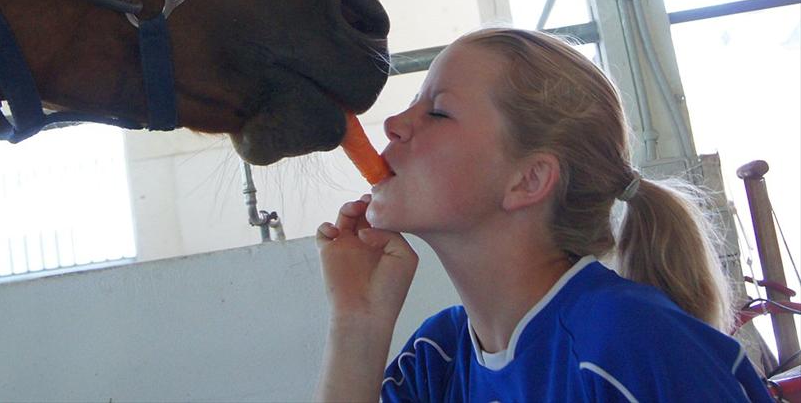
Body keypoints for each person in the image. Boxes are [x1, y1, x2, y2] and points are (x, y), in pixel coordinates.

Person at [315, 27, 771, 402]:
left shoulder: (629, 344)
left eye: (437, 112)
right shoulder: (439, 360)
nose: (394, 123)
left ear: (528, 180)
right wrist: (357, 322)